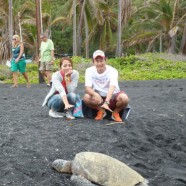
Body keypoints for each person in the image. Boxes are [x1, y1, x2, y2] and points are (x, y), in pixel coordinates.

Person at [83, 50, 129, 122]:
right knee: (86, 98)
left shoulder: (113, 71)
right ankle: (101, 111)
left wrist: (107, 102)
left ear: (105, 60)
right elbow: (87, 88)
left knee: (124, 98)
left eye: (101, 61)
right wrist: (95, 94)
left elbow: (112, 87)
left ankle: (115, 113)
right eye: (97, 61)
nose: (99, 63)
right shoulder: (89, 71)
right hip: (99, 99)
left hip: (113, 98)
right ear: (93, 62)